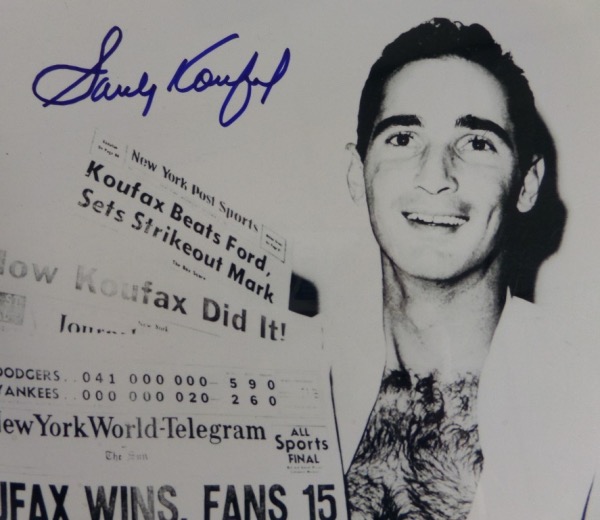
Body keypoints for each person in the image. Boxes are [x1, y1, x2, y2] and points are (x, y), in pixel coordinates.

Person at [343, 18, 597, 520]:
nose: (435, 176)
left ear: (526, 184)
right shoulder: (285, 377)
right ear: (357, 173)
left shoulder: (586, 397)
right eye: (402, 138)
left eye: (477, 143)